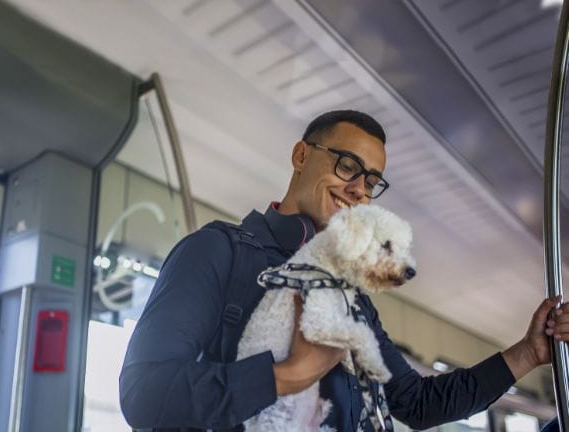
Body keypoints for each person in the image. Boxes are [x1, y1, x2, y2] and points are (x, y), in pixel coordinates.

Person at [119, 110, 567, 431]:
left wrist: (527, 354)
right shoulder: (217, 251)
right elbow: (145, 393)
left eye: (371, 181)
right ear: (300, 155)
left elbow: (418, 404)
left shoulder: (352, 301)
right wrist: (285, 376)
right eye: (347, 165)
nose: (358, 189)